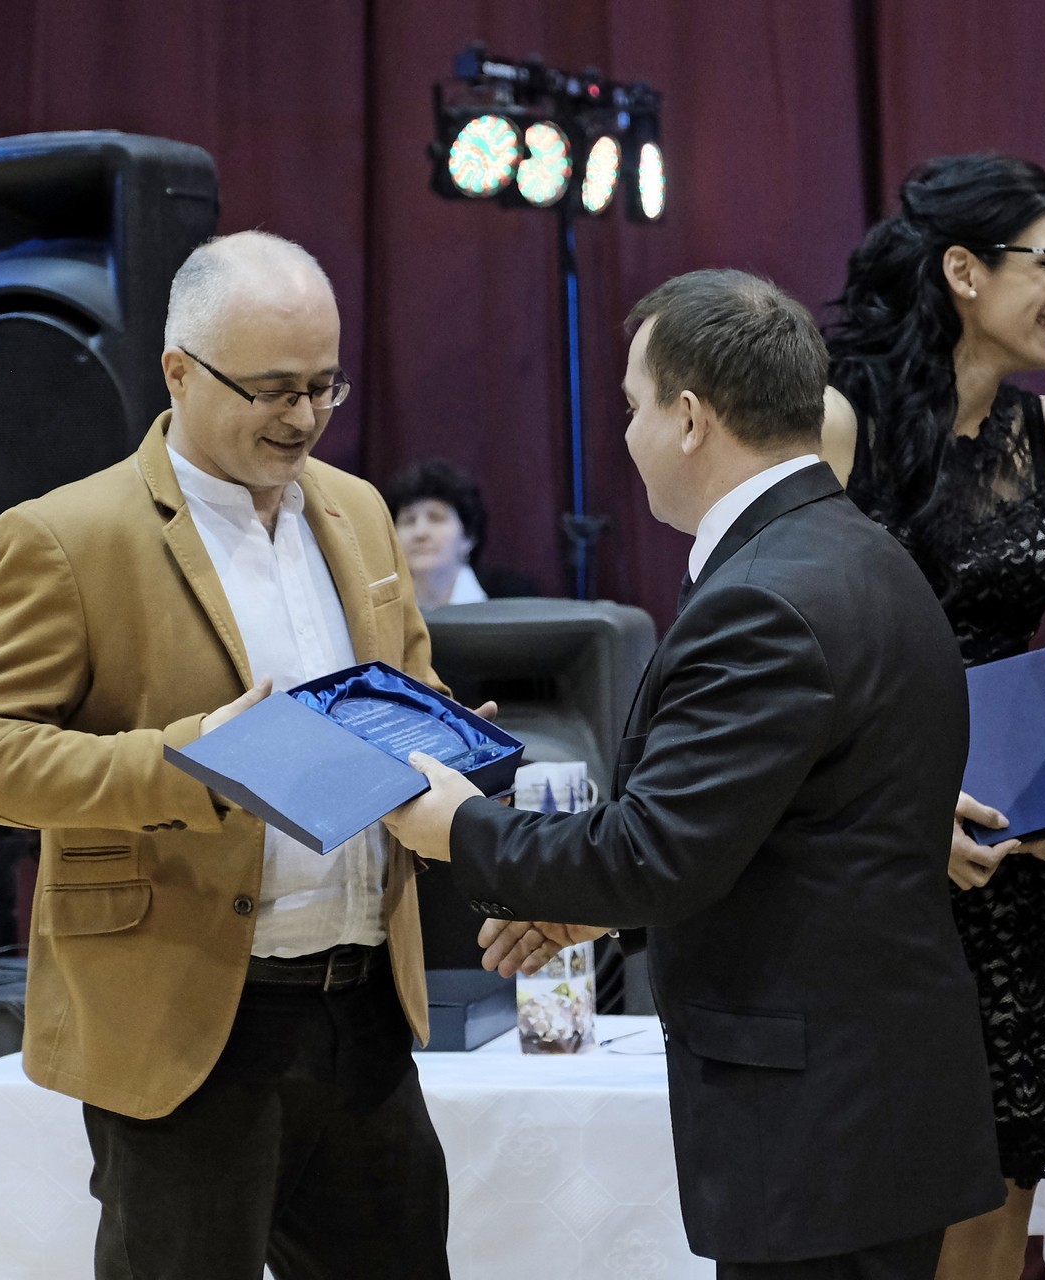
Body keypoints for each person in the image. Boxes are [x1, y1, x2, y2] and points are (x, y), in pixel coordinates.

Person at [385, 268, 1004, 1279]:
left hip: (819, 1124)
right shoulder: (860, 551)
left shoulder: (765, 593)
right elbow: (777, 833)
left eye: (632, 407)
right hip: (867, 1101)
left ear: (687, 417)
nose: (626, 435)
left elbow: (654, 851)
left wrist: (457, 823)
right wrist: (600, 907)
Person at [0, 231, 453, 1280]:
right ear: (179, 371)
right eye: (271, 389)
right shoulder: (65, 535)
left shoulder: (357, 510)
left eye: (324, 385)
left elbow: (410, 681)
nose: (302, 416)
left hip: (363, 1011)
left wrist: (445, 738)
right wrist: (188, 761)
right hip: (182, 1022)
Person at [822, 152, 1045, 1279]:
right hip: (870, 862)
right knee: (880, 1204)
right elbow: (786, 664)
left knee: (1003, 1190)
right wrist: (902, 810)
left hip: (1017, 866)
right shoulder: (833, 421)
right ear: (963, 270)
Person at [383, 458, 539, 607]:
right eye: (408, 521)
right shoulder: (380, 604)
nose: (420, 532)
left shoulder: (512, 595)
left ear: (468, 537)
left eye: (436, 518)